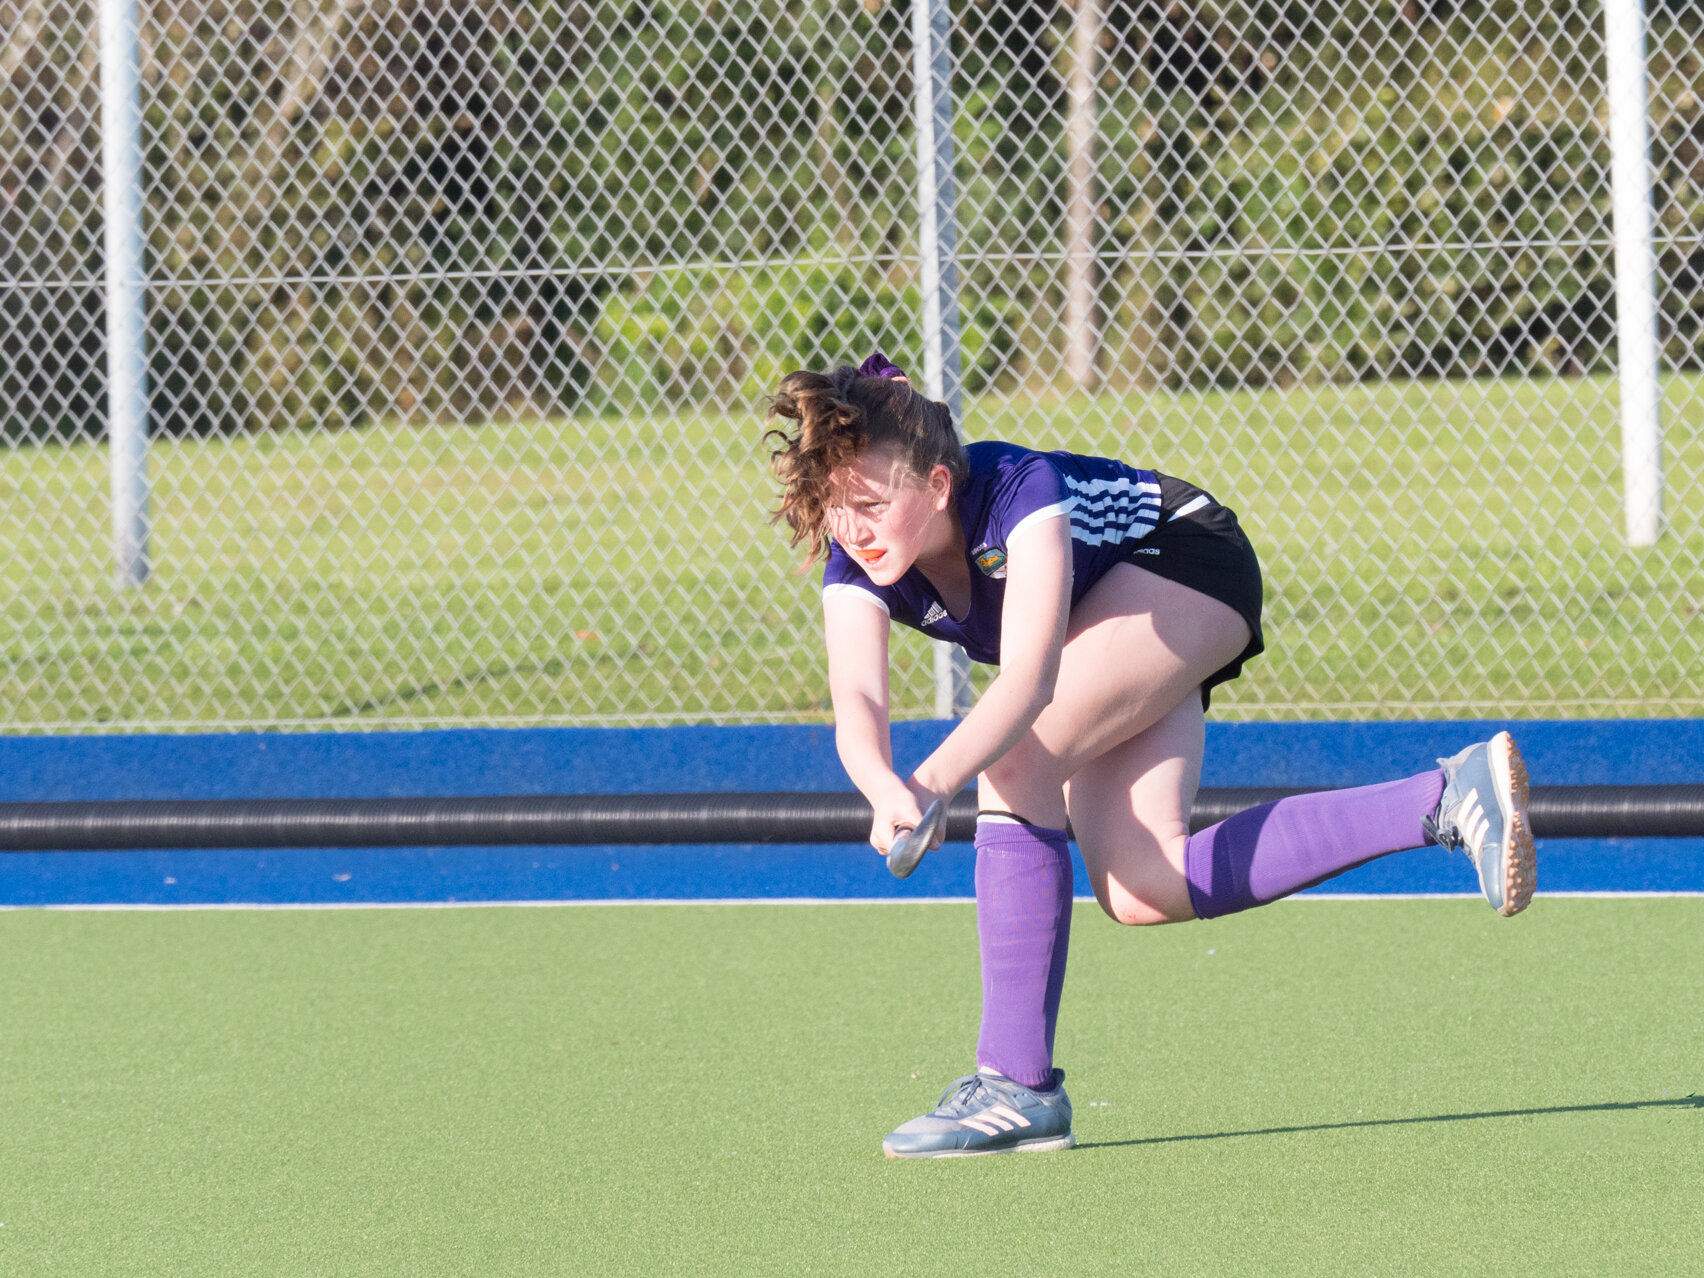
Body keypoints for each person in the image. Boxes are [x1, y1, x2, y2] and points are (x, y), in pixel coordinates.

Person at [763, 354, 1535, 1160]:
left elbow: (1028, 680)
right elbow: (857, 702)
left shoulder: (1017, 491)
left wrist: (929, 784)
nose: (851, 527)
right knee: (1143, 886)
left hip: (1187, 557)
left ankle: (1014, 1085)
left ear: (937, 485)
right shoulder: (858, 556)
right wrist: (881, 783)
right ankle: (1446, 797)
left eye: (870, 504)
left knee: (1017, 761)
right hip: (1110, 611)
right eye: (834, 508)